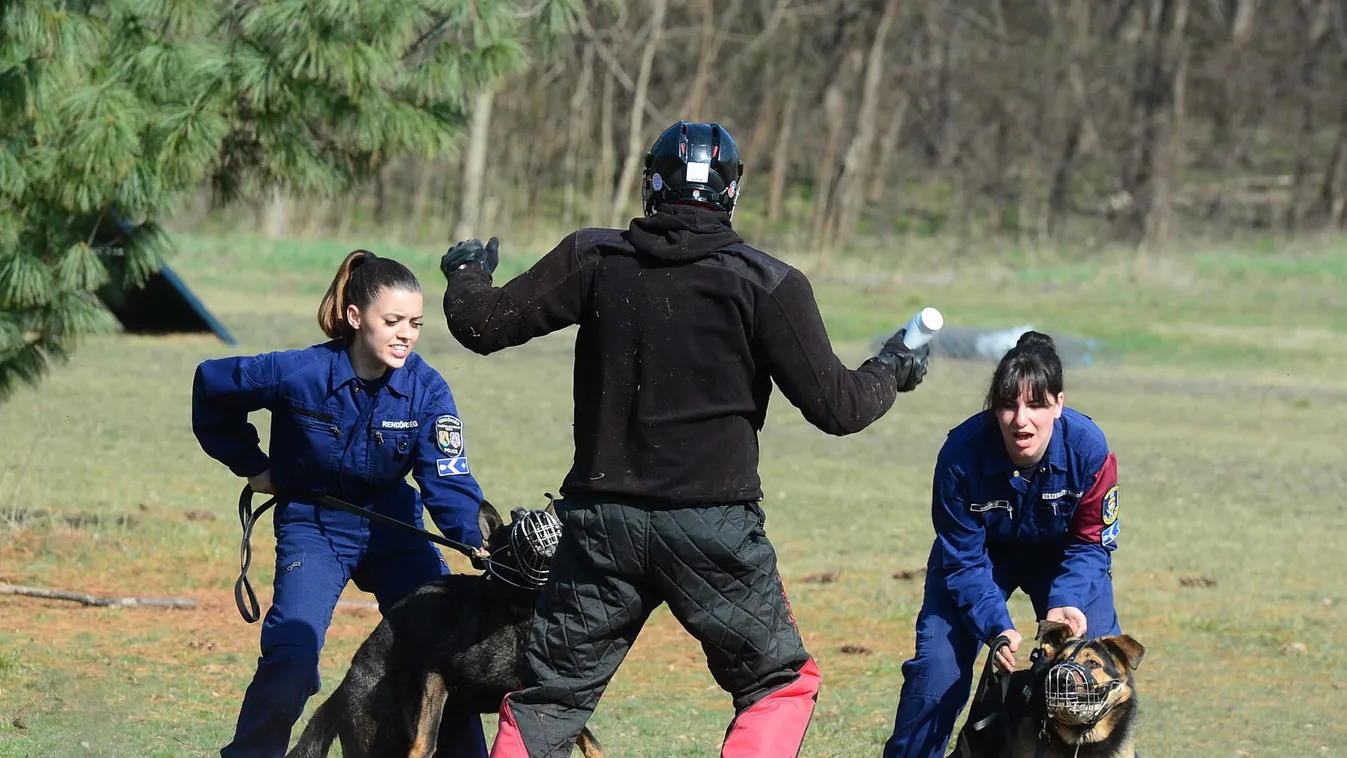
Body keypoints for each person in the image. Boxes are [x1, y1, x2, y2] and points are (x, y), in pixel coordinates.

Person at [437, 120, 932, 758]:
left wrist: (468, 270)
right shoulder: (769, 282)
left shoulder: (595, 258)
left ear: (651, 184)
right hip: (714, 529)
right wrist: (893, 365)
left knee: (550, 701)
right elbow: (841, 408)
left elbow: (481, 324)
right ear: (730, 193)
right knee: (777, 684)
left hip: (601, 526)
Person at [192, 250, 490, 758]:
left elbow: (447, 478)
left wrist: (476, 541)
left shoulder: (427, 390)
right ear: (356, 318)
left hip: (395, 529)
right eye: (392, 321)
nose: (405, 334)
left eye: (415, 323)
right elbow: (211, 385)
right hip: (314, 525)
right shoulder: (298, 372)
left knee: (443, 653)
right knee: (292, 655)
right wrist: (251, 464)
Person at [881, 331, 1123, 758]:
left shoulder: (1090, 451)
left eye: (1037, 405)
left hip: (1062, 561)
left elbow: (1091, 544)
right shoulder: (961, 453)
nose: (1021, 420)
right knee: (937, 672)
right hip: (977, 562)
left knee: (1100, 666)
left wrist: (1065, 600)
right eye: (1009, 406)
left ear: (1059, 405)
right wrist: (996, 625)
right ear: (994, 408)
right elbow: (961, 558)